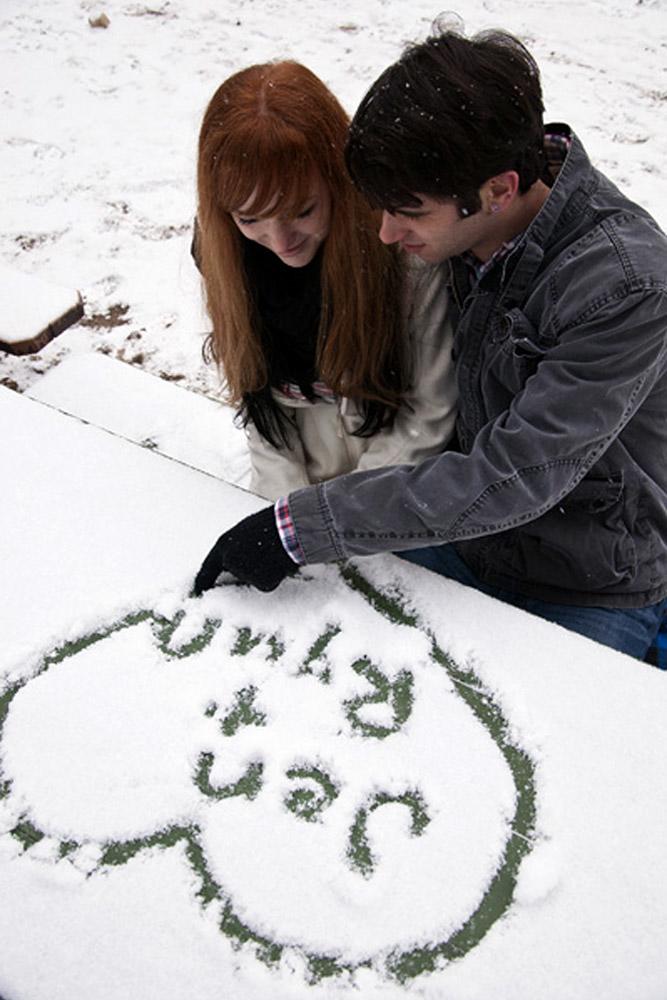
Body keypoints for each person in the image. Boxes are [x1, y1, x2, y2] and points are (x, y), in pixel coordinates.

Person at [193, 29, 667, 661]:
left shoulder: (624, 287)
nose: (385, 234)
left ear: (498, 190)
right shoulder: (458, 225)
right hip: (463, 541)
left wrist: (299, 525)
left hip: (585, 581)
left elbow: (513, 474)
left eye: (408, 212)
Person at [193, 60, 457, 501]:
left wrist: (335, 517)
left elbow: (428, 413)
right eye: (249, 217)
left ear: (338, 178)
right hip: (302, 490)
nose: (279, 241)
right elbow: (259, 401)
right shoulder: (226, 255)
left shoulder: (404, 256)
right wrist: (282, 511)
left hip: (396, 491)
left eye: (302, 210)